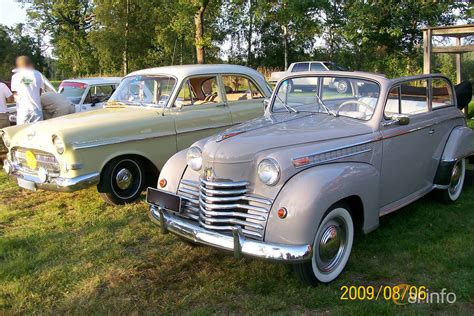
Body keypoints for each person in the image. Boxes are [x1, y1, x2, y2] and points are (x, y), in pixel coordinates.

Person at [10, 56, 44, 124]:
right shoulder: (38, 74)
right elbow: (40, 91)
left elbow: (14, 93)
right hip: (36, 109)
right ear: (29, 63)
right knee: (38, 132)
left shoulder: (15, 76)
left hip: (23, 110)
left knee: (21, 132)